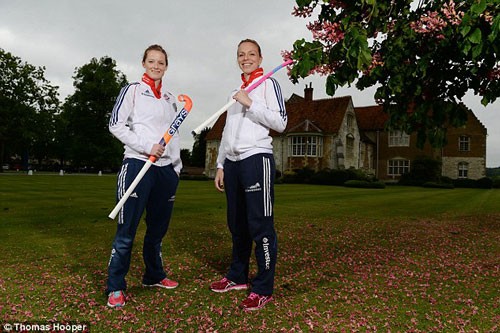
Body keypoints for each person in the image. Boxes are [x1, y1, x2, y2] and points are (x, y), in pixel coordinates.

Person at [210, 39, 288, 311]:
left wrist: (250, 103)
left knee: (260, 226)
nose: (246, 58)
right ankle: (237, 276)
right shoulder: (236, 89)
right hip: (232, 163)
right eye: (241, 55)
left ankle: (263, 288)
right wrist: (220, 164)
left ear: (260, 57)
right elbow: (227, 132)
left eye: (251, 54)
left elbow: (280, 122)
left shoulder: (268, 84)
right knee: (237, 224)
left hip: (257, 159)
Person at [106, 44, 182, 308]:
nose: (156, 66)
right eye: (152, 61)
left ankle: (154, 275)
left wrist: (176, 167)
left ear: (166, 66)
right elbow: (115, 124)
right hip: (138, 165)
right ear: (144, 63)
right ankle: (115, 286)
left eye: (161, 62)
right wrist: (145, 146)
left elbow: (174, 135)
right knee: (127, 231)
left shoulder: (171, 98)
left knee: (157, 230)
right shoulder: (133, 90)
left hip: (165, 171)